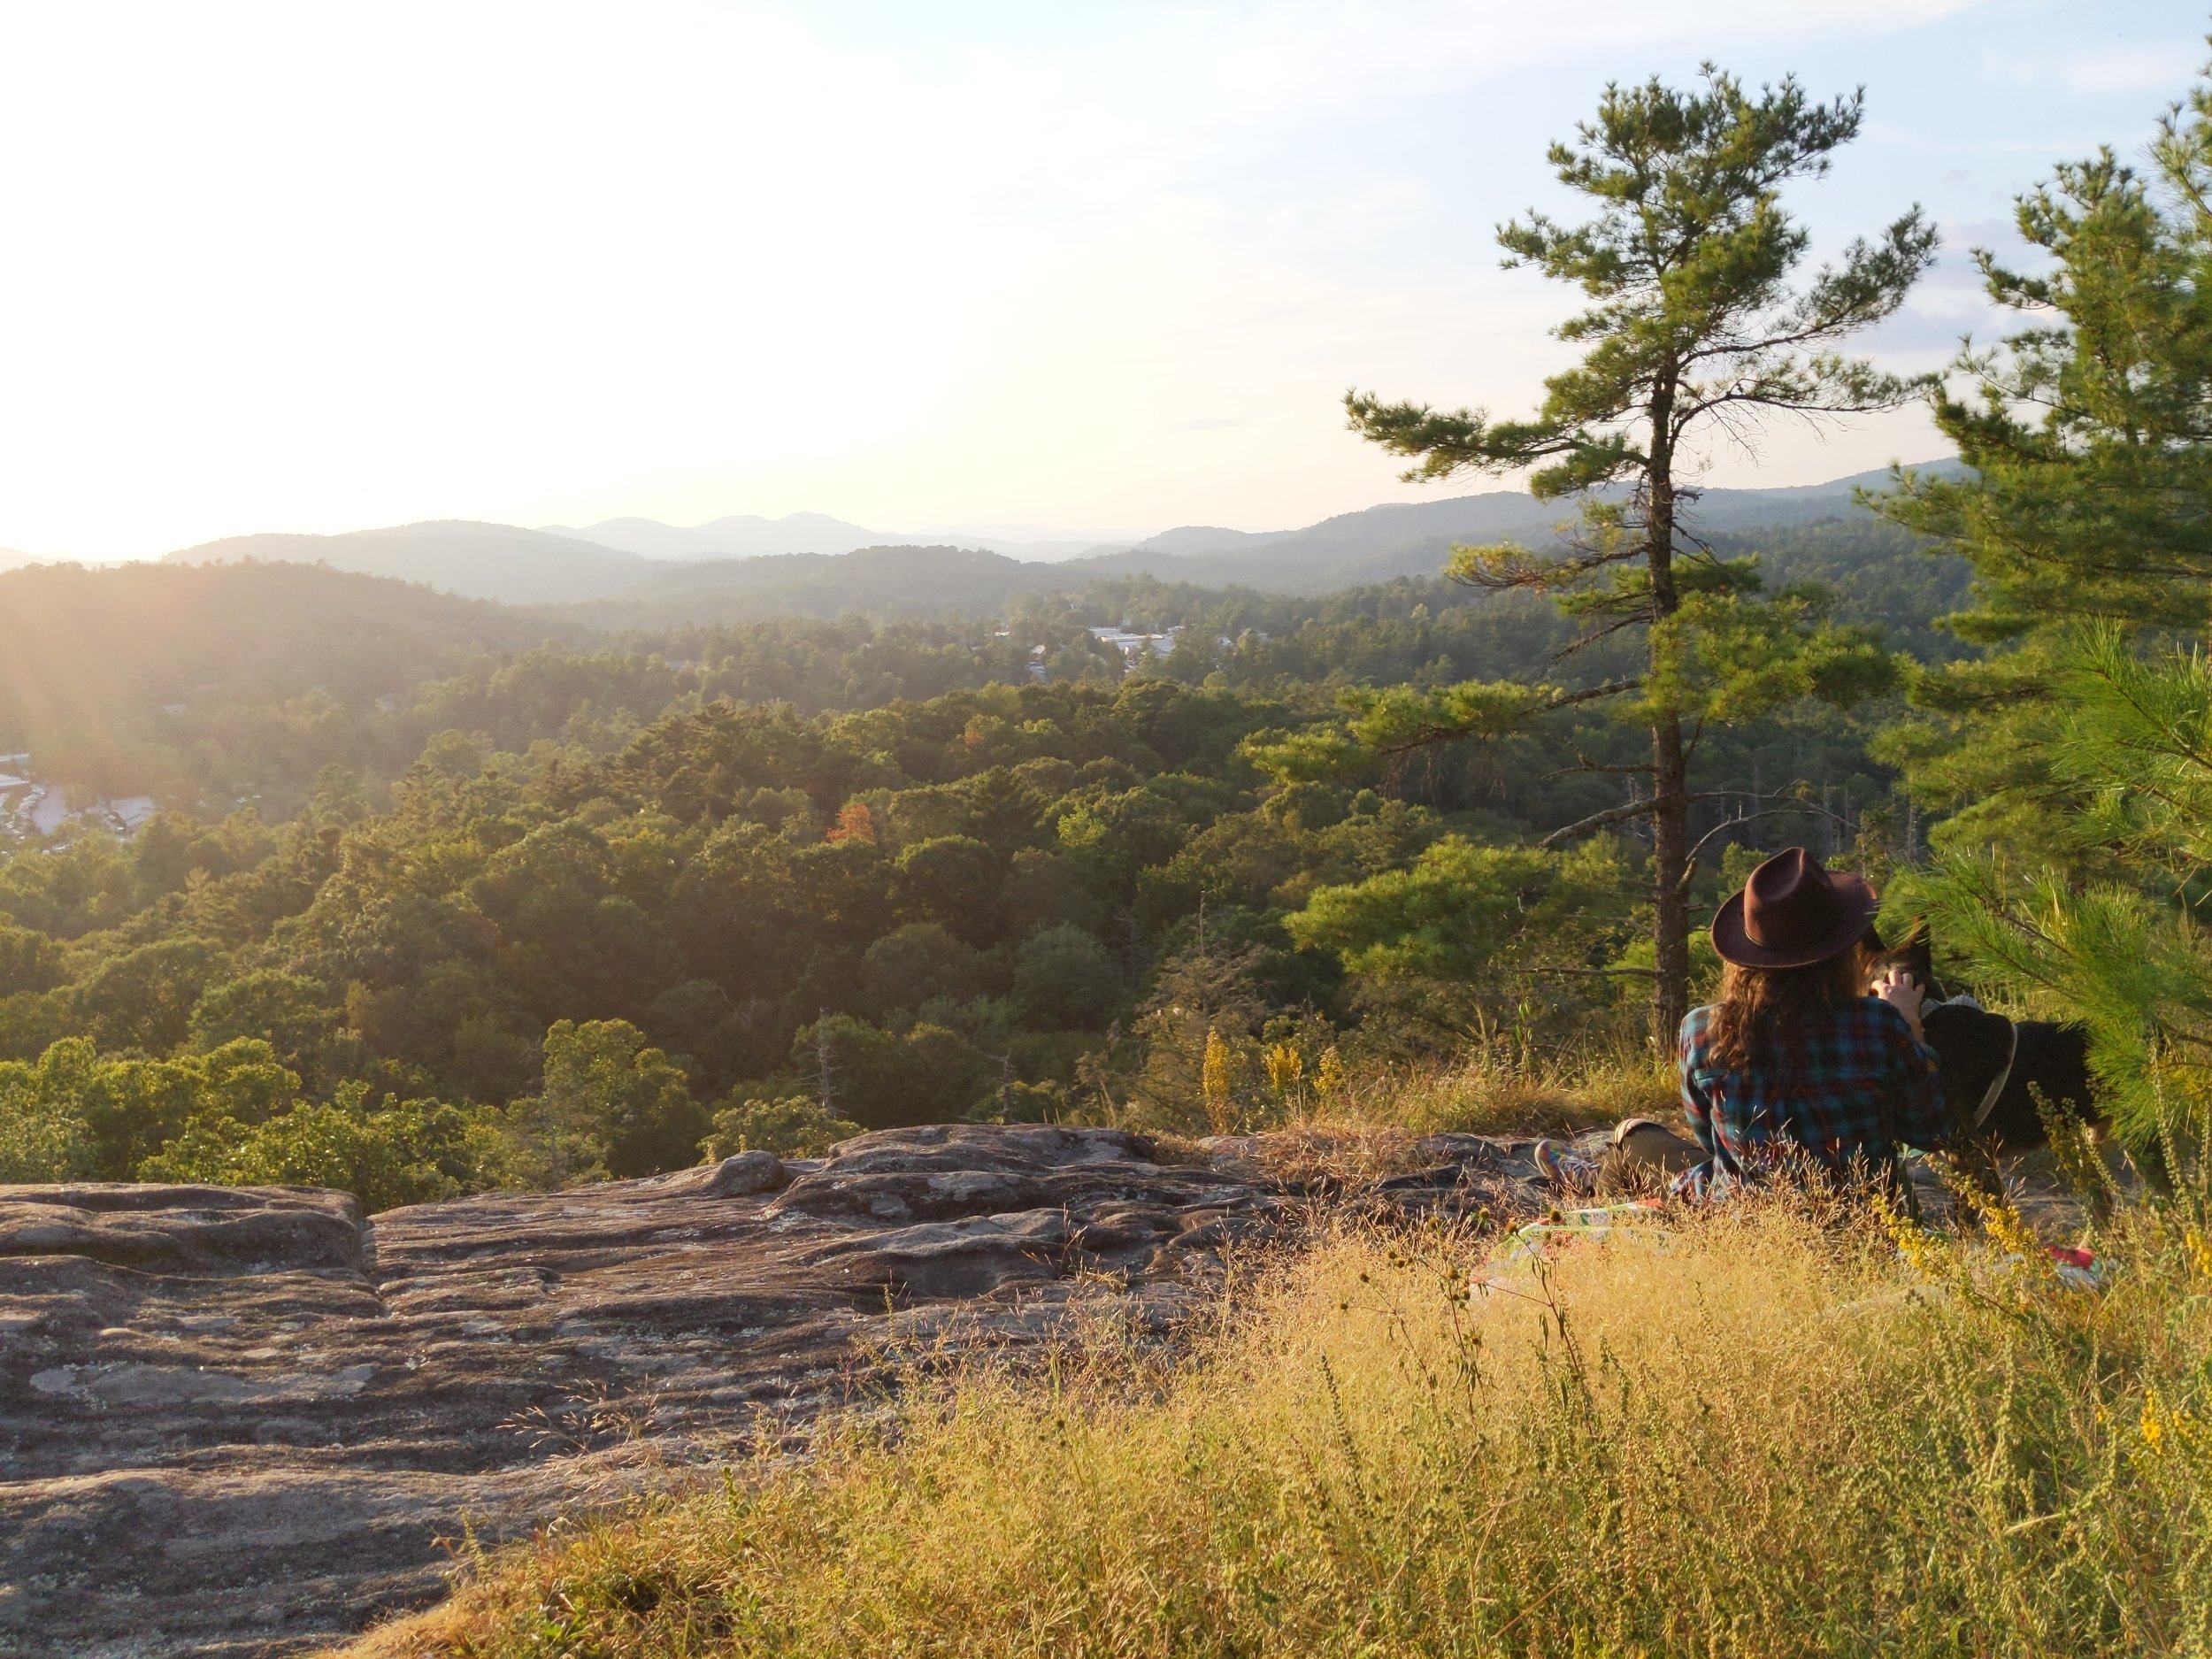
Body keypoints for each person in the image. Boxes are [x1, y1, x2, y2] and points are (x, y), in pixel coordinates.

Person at [1535, 847, 1944, 1199]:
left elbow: (1709, 1139)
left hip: (1750, 1221)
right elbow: (1930, 1132)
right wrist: (1910, 1025)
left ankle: (1592, 1184)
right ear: (1839, 952)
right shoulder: (1879, 1026)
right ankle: (1596, 1179)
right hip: (1871, 1227)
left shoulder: (1701, 1031)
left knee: (1634, 1134)